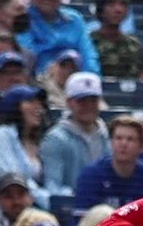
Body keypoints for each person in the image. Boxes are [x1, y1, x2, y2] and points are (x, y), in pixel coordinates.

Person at [39, 71, 109, 199]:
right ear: (69, 102)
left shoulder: (107, 136)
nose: (88, 106)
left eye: (93, 100)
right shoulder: (55, 139)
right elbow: (53, 187)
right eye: (82, 101)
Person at [15, 0, 100, 77]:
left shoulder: (75, 19)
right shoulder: (24, 20)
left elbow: (88, 54)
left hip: (75, 79)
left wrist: (90, 78)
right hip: (38, 81)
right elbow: (27, 57)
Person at [74, 116, 143, 213]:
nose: (123, 144)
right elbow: (83, 221)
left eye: (130, 139)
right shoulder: (91, 175)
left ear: (142, 147)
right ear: (111, 143)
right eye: (118, 138)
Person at [91, 0, 143, 82]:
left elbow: (141, 79)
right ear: (100, 10)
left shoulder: (134, 44)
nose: (118, 10)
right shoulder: (89, 43)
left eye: (122, 4)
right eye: (111, 4)